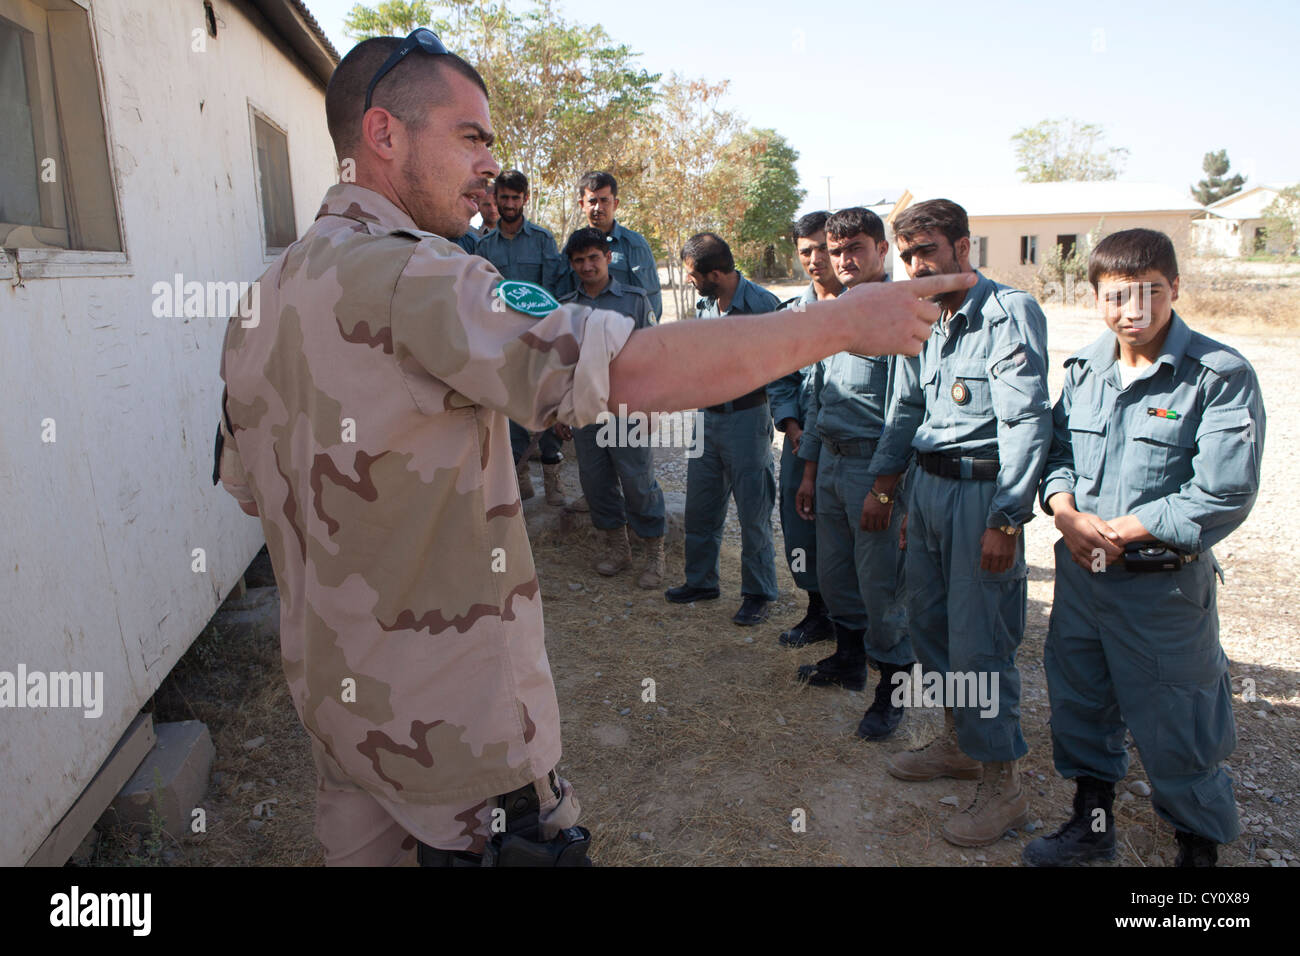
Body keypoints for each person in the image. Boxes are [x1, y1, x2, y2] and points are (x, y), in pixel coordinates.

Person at [213, 28, 972, 867]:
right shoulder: (414, 276)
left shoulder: (260, 302)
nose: (490, 170)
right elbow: (633, 370)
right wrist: (837, 322)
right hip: (450, 736)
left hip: (339, 715)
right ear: (385, 135)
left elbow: (255, 492)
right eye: (471, 137)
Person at [1023, 228, 1265, 868]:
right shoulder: (1084, 369)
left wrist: (1120, 530)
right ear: (1096, 297)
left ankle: (1197, 858)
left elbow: (1223, 491)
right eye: (1116, 297)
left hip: (1161, 590)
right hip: (1082, 578)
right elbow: (1056, 456)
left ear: (1175, 288)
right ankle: (1091, 826)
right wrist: (1065, 511)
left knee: (1180, 722)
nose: (1133, 312)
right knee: (1081, 707)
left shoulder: (1219, 375)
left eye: (1149, 294)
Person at [877, 199, 1053, 848]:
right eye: (909, 254)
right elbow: (905, 407)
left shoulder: (1008, 313)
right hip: (926, 491)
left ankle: (1002, 787)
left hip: (983, 496)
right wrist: (889, 485)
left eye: (927, 250)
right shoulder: (921, 317)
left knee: (981, 642)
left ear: (962, 247)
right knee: (930, 626)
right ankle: (958, 744)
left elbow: (1027, 422)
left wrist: (1007, 520)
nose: (918, 264)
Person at [793, 208, 917, 742]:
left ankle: (893, 689)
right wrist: (808, 473)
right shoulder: (836, 312)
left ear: (882, 251)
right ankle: (847, 660)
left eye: (856, 249)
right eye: (836, 250)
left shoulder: (899, 315)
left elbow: (905, 410)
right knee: (837, 573)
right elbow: (820, 400)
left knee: (881, 583)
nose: (844, 260)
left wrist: (885, 488)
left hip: (873, 467)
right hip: (831, 464)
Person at [664, 232, 782, 626]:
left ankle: (758, 593)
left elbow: (783, 371)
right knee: (701, 506)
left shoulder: (763, 306)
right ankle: (701, 581)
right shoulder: (705, 304)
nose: (689, 281)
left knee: (753, 511)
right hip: (706, 419)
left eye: (693, 274)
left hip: (747, 421)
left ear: (716, 272)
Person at [559, 227, 667, 587]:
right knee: (596, 481)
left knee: (637, 480)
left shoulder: (634, 300)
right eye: (579, 260)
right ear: (572, 265)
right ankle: (617, 548)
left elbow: (652, 356)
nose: (587, 266)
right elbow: (561, 364)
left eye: (593, 258)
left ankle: (654, 551)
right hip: (585, 410)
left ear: (607, 257)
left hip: (626, 409)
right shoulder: (565, 307)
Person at [475, 169, 571, 506]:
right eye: (504, 198)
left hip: (539, 339)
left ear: (525, 199)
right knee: (511, 407)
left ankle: (552, 474)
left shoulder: (543, 240)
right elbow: (482, 296)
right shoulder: (483, 245)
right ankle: (519, 477)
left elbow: (553, 291)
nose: (510, 204)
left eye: (516, 198)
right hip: (503, 343)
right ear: (496, 199)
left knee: (545, 405)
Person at [769, 212, 840, 648]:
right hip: (800, 442)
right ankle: (818, 613)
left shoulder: (863, 310)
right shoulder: (791, 313)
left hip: (850, 447)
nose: (815, 259)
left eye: (822, 248)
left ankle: (861, 627)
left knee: (850, 533)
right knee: (801, 529)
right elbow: (780, 378)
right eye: (805, 251)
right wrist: (793, 428)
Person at [556, 171, 662, 319]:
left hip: (626, 333)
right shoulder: (573, 246)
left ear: (615, 203)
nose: (598, 207)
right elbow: (563, 296)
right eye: (592, 201)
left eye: (604, 200)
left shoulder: (634, 244)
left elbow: (651, 299)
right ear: (582, 204)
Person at [452, 187, 499, 252]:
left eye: (496, 204)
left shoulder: (514, 235)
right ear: (477, 207)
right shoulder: (467, 238)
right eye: (487, 205)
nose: (493, 210)